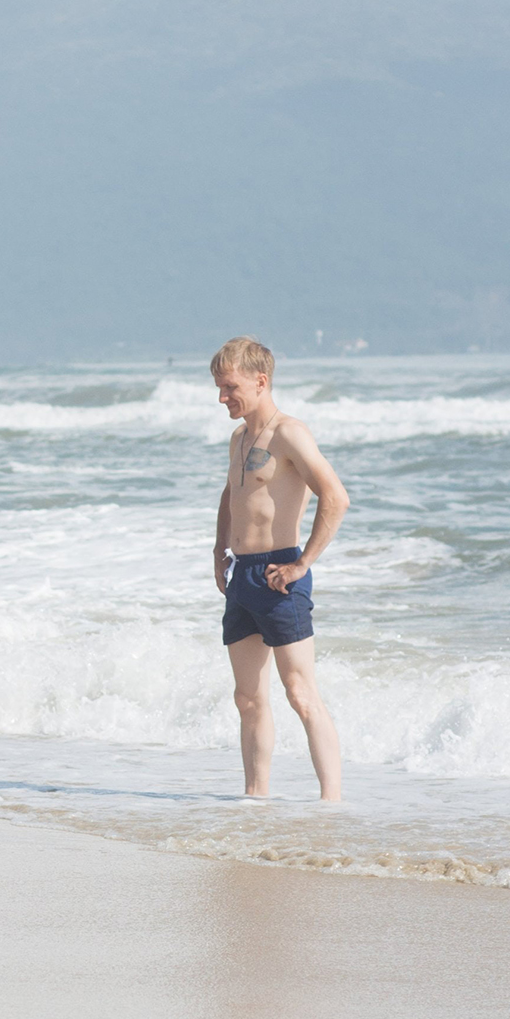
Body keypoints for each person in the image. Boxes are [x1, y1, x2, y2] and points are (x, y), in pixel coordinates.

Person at [212, 337, 348, 801]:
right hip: (242, 577)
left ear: (260, 380)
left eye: (230, 387)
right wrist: (218, 550)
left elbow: (336, 496)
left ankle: (332, 802)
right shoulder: (239, 437)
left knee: (299, 692)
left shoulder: (290, 433)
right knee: (247, 698)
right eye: (218, 387)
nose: (222, 397)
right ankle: (255, 799)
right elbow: (232, 493)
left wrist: (302, 563)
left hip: (278, 574)